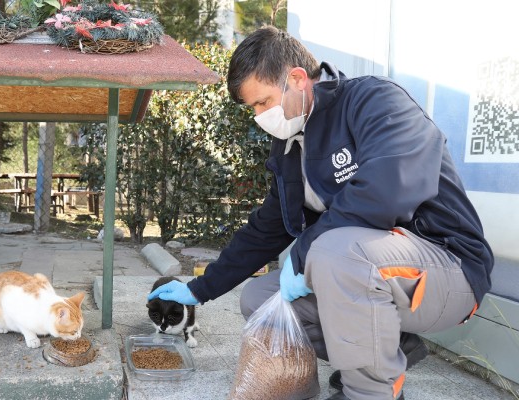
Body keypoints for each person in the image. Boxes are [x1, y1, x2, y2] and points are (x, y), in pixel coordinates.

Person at [148, 26, 493, 400]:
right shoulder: (290, 144)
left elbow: (388, 189)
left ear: (297, 79)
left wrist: (305, 251)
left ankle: (370, 392)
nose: (259, 116)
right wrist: (200, 289)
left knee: (331, 252)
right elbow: (269, 226)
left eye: (262, 102)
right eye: (253, 109)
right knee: (261, 297)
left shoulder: (374, 101)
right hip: (372, 269)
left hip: (449, 267)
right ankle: (387, 350)